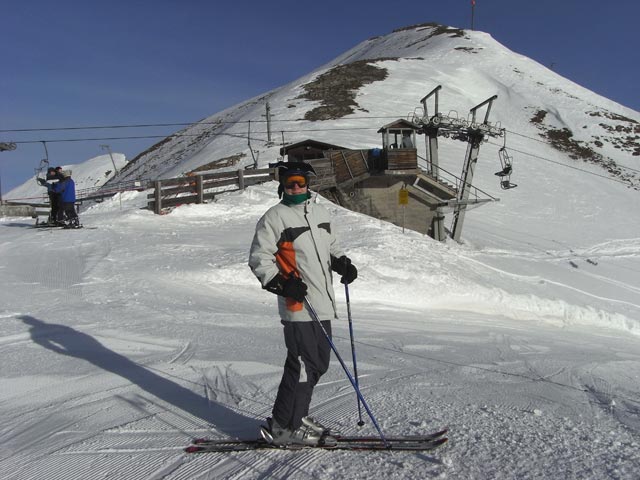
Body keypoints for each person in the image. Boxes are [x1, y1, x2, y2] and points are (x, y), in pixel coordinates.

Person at [248, 161, 358, 447]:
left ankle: (297, 416)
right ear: (282, 185)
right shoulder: (275, 217)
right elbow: (260, 258)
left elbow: (331, 247)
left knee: (318, 364)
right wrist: (283, 285)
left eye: (300, 181)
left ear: (308, 182)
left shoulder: (320, 213)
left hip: (322, 303)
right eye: (290, 183)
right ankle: (283, 427)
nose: (295, 187)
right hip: (298, 305)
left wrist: (342, 264)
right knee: (302, 365)